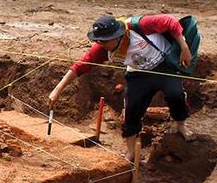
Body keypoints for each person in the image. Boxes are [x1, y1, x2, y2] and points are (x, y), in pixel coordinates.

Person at [48, 15, 195, 162]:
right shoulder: (101, 49)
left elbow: (170, 22)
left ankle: (181, 125)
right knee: (132, 109)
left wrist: (184, 47)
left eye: (104, 40)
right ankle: (131, 151)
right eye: (98, 40)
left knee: (175, 95)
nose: (101, 43)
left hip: (164, 65)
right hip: (138, 74)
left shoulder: (140, 26)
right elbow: (79, 67)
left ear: (117, 36)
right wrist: (57, 90)